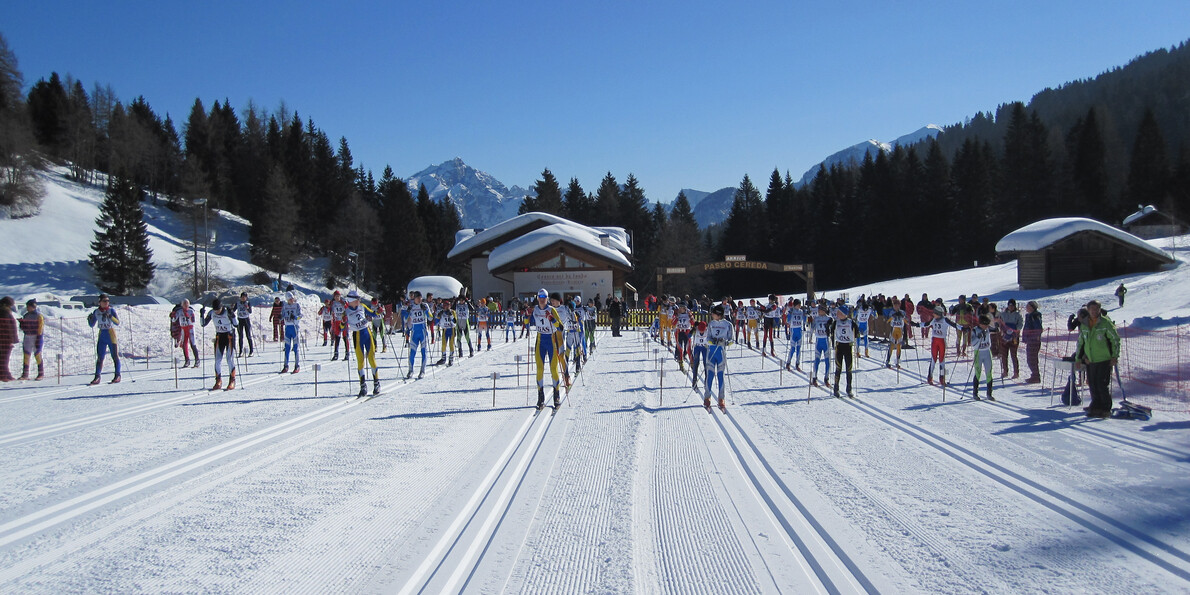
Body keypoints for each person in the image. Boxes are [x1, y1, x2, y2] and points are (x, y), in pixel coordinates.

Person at [1077, 300, 1120, 418]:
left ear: (1099, 310)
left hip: (1104, 359)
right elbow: (1081, 342)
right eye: (1092, 309)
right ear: (1088, 310)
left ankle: (1105, 408)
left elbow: (1115, 340)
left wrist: (1114, 356)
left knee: (1101, 384)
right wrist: (1079, 358)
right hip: (1090, 360)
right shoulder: (1085, 324)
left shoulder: (1105, 323)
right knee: (1092, 384)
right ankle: (1096, 406)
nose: (1094, 311)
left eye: (1096, 309)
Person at [531, 288, 564, 409]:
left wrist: (552, 319)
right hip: (540, 342)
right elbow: (528, 322)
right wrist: (526, 317)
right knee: (539, 369)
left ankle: (556, 396)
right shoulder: (535, 309)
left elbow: (560, 327)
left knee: (553, 369)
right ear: (537, 298)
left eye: (544, 297)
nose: (541, 299)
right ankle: (540, 397)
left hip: (551, 341)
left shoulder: (552, 310)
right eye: (540, 297)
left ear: (547, 299)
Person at [345, 290, 380, 396]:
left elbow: (373, 314)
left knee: (371, 359)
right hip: (357, 336)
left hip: (367, 334)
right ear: (351, 300)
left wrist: (379, 311)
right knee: (360, 361)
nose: (359, 301)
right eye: (357, 300)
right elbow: (342, 327)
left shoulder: (362, 306)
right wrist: (343, 323)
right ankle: (363, 386)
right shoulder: (346, 311)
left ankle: (376, 383)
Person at [201, 298, 237, 390]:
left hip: (229, 336)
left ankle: (232, 380)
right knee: (217, 360)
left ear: (221, 307)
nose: (216, 312)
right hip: (219, 336)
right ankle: (218, 381)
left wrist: (232, 315)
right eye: (215, 310)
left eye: (218, 310)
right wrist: (201, 315)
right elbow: (203, 324)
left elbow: (236, 324)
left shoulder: (226, 312)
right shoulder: (211, 312)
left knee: (229, 359)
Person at [704, 304, 733, 411]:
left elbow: (731, 340)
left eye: (713, 313)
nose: (712, 315)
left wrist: (724, 342)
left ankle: (721, 398)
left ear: (719, 314)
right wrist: (713, 341)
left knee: (721, 376)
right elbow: (707, 338)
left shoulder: (728, 325)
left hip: (721, 353)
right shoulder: (711, 323)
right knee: (710, 375)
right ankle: (707, 397)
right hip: (711, 352)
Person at [87, 294, 122, 385]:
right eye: (104, 301)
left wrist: (110, 316)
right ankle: (97, 377)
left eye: (108, 301)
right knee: (100, 357)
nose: (107, 303)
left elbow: (117, 322)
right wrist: (89, 319)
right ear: (100, 302)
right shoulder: (96, 311)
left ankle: (117, 375)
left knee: (114, 356)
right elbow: (92, 325)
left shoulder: (111, 310)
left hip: (111, 334)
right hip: (102, 334)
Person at [827, 305, 859, 397]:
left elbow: (857, 333)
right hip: (839, 346)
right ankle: (836, 388)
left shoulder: (851, 322)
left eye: (839, 312)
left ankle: (849, 389)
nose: (837, 314)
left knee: (849, 369)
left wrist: (857, 333)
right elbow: (830, 331)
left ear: (844, 314)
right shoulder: (836, 322)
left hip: (848, 346)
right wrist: (828, 326)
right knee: (838, 368)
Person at [926, 306, 958, 386]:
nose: (933, 314)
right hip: (934, 341)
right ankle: (930, 377)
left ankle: (942, 378)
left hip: (942, 341)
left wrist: (963, 328)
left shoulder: (945, 320)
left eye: (935, 313)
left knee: (942, 360)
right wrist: (915, 324)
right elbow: (926, 324)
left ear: (938, 314)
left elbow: (954, 325)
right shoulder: (933, 320)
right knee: (933, 359)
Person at [405, 291, 431, 379]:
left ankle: (422, 371)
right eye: (417, 298)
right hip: (414, 332)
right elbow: (405, 319)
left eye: (420, 298)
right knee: (412, 353)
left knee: (424, 352)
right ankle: (410, 370)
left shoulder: (425, 305)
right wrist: (407, 312)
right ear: (414, 298)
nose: (419, 300)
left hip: (423, 332)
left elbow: (431, 317)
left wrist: (426, 310)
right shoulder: (411, 307)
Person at [970, 315, 996, 400]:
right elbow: (972, 343)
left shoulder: (988, 329)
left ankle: (989, 393)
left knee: (989, 372)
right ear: (981, 324)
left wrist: (998, 327)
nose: (986, 327)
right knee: (978, 372)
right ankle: (975, 393)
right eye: (985, 325)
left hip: (987, 352)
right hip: (978, 353)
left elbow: (996, 329)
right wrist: (978, 337)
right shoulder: (975, 330)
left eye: (987, 325)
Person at [19, 298, 45, 380]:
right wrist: (22, 324)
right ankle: (25, 374)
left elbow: (40, 328)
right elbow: (23, 328)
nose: (27, 308)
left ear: (32, 306)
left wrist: (39, 338)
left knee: (37, 354)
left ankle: (41, 373)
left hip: (36, 336)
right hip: (27, 336)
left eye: (28, 306)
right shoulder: (26, 315)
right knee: (26, 355)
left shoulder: (39, 316)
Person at [999, 299, 1023, 379]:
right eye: (1009, 305)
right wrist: (1002, 329)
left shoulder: (1018, 315)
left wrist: (1015, 329)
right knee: (1004, 355)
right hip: (1004, 337)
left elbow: (1020, 324)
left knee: (1013, 355)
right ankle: (1005, 371)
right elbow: (999, 323)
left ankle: (1016, 372)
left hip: (1014, 337)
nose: (1010, 307)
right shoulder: (1003, 314)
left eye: (1012, 306)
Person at [279, 291, 302, 374]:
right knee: (287, 348)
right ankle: (286, 365)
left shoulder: (297, 305)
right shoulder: (285, 306)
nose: (291, 300)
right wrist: (280, 317)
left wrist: (296, 317)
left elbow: (301, 316)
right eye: (289, 299)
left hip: (295, 328)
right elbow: (282, 315)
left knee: (295, 348)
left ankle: (297, 365)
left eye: (292, 298)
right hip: (287, 328)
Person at [809, 305, 832, 387]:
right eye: (818, 310)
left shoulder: (829, 318)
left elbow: (833, 328)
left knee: (827, 361)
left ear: (824, 310)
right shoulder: (816, 318)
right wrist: (810, 337)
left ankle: (826, 378)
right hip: (818, 341)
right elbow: (812, 328)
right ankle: (814, 378)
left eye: (820, 310)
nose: (818, 311)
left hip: (826, 341)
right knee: (817, 360)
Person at [1022, 301, 1044, 383]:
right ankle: (1034, 375)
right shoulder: (1028, 316)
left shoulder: (1035, 316)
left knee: (1032, 359)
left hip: (1034, 341)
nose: (1026, 308)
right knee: (1030, 359)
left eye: (1027, 306)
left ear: (1032, 307)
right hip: (1030, 340)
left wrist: (1032, 337)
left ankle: (1036, 376)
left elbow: (1038, 328)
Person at [173, 299, 199, 368]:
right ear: (182, 305)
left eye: (187, 304)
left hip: (190, 329)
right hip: (183, 328)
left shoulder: (191, 311)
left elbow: (193, 321)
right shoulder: (179, 311)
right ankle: (187, 360)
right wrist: (173, 316)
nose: (186, 305)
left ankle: (197, 360)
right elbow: (174, 319)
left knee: (192, 343)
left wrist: (189, 317)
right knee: (184, 344)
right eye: (184, 304)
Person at [784, 298, 806, 372]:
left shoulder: (801, 311)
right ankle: (788, 363)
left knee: (799, 349)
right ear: (794, 305)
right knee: (792, 349)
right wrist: (789, 314)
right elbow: (788, 321)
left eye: (800, 305)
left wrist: (805, 314)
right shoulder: (791, 311)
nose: (799, 306)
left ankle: (797, 364)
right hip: (793, 331)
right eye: (798, 305)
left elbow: (805, 321)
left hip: (799, 331)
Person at [436, 300, 458, 367]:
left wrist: (450, 315)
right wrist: (438, 316)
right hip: (445, 330)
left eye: (448, 305)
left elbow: (455, 321)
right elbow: (436, 322)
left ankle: (451, 359)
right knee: (443, 345)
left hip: (451, 330)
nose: (446, 307)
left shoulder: (452, 312)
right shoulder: (442, 312)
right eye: (445, 305)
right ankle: (443, 358)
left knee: (451, 344)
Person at [0, 297, 17, 382]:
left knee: (4, 357)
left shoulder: (4, 311)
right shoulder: (4, 312)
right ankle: (3, 375)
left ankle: (6, 373)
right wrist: (11, 339)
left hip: (4, 338)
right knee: (4, 357)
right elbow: (8, 327)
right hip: (5, 338)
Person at [235, 292, 255, 357]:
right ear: (240, 297)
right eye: (242, 297)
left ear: (246, 298)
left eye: (244, 297)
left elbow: (250, 311)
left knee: (248, 335)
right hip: (240, 320)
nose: (243, 298)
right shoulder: (238, 303)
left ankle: (251, 351)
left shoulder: (248, 303)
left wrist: (247, 308)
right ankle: (240, 351)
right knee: (240, 336)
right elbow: (233, 310)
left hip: (246, 319)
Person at [690, 320, 709, 390]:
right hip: (697, 347)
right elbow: (688, 336)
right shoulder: (696, 330)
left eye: (702, 330)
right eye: (700, 330)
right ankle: (694, 381)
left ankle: (706, 381)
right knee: (696, 364)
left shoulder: (707, 331)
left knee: (706, 364)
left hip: (705, 348)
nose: (701, 332)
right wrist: (693, 329)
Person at [329, 291, 347, 360]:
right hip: (337, 321)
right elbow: (331, 310)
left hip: (344, 321)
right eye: (336, 296)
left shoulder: (343, 301)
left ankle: (347, 353)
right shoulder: (333, 303)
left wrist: (345, 304)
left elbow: (348, 308)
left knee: (345, 337)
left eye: (338, 296)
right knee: (337, 337)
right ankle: (336, 353)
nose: (337, 298)